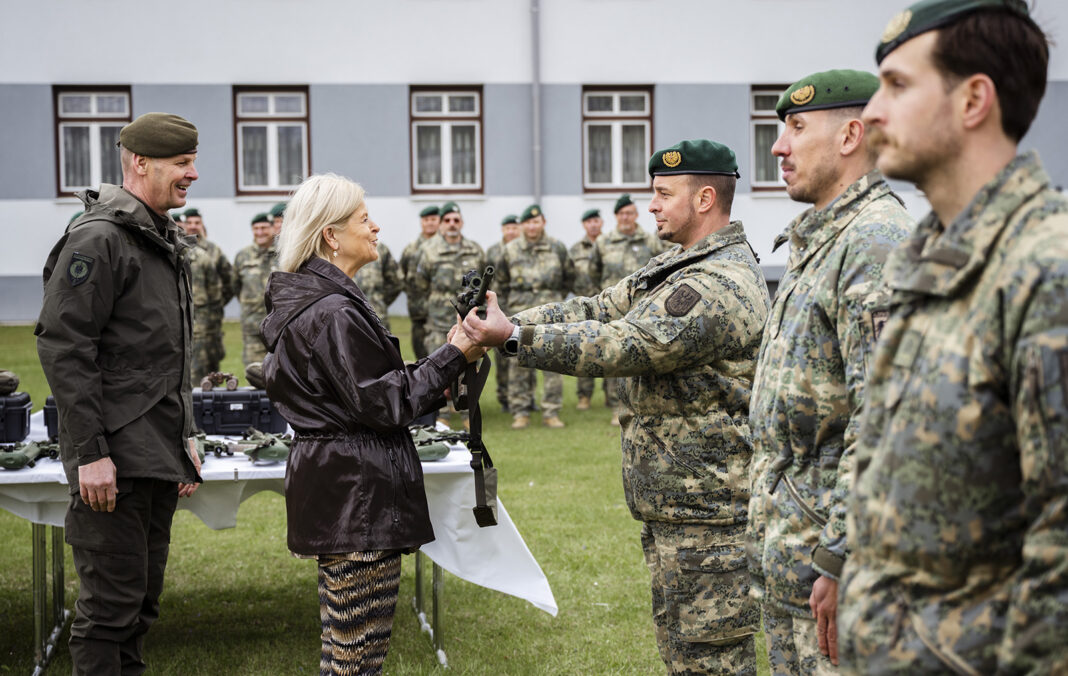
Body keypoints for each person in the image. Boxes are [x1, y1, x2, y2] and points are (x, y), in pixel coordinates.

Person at [463, 140, 769, 674]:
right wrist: (501, 325)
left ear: (704, 199)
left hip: (711, 516)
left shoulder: (719, 282)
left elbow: (626, 344)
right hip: (680, 507)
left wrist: (512, 338)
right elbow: (597, 308)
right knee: (685, 656)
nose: (651, 205)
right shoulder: (677, 265)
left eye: (663, 194)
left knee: (713, 660)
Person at [837, 2, 1068, 673]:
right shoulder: (932, 261)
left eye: (897, 85)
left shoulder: (1044, 270)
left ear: (973, 100)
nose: (872, 112)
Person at [260, 173, 483, 675]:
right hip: (356, 497)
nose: (376, 227)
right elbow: (385, 403)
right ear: (331, 236)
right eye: (364, 219)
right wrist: (455, 355)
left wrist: (447, 361)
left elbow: (365, 390)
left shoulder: (320, 301)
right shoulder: (334, 310)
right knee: (357, 657)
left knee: (345, 650)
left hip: (343, 489)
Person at [745, 69, 913, 675]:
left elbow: (886, 417)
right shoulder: (823, 237)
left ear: (850, 136)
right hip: (794, 555)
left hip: (832, 564)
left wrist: (843, 557)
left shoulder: (874, 242)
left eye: (796, 127)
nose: (778, 147)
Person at [36, 112, 203, 674]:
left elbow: (161, 356)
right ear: (140, 163)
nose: (192, 174)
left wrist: (185, 434)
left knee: (139, 606)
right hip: (113, 458)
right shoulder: (101, 238)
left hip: (154, 451)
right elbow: (65, 345)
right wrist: (90, 453)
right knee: (109, 612)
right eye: (181, 163)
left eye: (192, 162)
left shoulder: (155, 237)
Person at [494, 204, 575, 429]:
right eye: (528, 222)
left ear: (543, 223)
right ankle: (520, 412)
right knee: (518, 363)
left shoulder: (557, 247)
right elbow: (500, 282)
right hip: (520, 315)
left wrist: (554, 299)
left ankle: (551, 411)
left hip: (550, 315)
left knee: (553, 362)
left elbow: (569, 277)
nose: (532, 226)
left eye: (536, 222)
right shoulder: (510, 250)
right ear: (522, 225)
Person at [410, 201, 485, 428]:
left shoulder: (474, 250)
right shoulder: (428, 250)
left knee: (468, 368)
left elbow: (483, 284)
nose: (452, 224)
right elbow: (419, 285)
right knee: (438, 367)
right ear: (441, 224)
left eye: (456, 220)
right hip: (437, 321)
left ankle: (467, 414)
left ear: (461, 222)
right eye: (447, 220)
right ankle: (441, 413)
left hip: (467, 321)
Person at [592, 193, 665, 425]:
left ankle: (643, 404)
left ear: (636, 215)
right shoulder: (603, 242)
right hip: (612, 310)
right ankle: (617, 406)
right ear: (616, 216)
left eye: (630, 213)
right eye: (622, 214)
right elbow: (593, 272)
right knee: (612, 356)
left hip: (642, 309)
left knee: (642, 356)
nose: (626, 218)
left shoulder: (650, 241)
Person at [180, 207, 235, 382]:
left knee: (209, 365)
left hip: (208, 320)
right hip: (183, 315)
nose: (193, 226)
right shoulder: (178, 248)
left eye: (197, 222)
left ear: (202, 225)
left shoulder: (213, 251)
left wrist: (215, 305)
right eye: (189, 222)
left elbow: (229, 281)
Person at [570, 208, 605, 412]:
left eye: (596, 221)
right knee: (584, 350)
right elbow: (567, 276)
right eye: (589, 221)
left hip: (608, 305)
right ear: (584, 225)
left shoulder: (609, 244)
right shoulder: (575, 250)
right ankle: (584, 395)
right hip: (584, 307)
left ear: (601, 223)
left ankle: (613, 397)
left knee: (611, 346)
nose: (593, 225)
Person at [486, 214, 522, 412]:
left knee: (523, 353)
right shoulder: (493, 252)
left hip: (520, 308)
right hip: (499, 308)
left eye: (515, 228)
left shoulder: (523, 250)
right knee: (502, 357)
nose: (511, 232)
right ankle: (504, 396)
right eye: (508, 228)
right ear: (502, 230)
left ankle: (524, 398)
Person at [233, 212, 278, 368]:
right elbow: (235, 286)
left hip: (279, 327)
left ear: (273, 228)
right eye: (256, 228)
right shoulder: (243, 256)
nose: (260, 232)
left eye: (264, 228)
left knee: (281, 373)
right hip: (253, 328)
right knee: (254, 372)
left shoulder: (284, 254)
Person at [401, 205, 441, 360]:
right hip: (419, 314)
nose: (430, 223)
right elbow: (402, 276)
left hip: (442, 315)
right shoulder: (411, 249)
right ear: (421, 222)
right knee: (422, 359)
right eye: (426, 220)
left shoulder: (445, 246)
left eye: (433, 219)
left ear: (439, 221)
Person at [352, 241, 403, 331]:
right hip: (347, 319)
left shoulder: (380, 249)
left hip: (377, 320)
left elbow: (396, 282)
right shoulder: (336, 248)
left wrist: (379, 301)